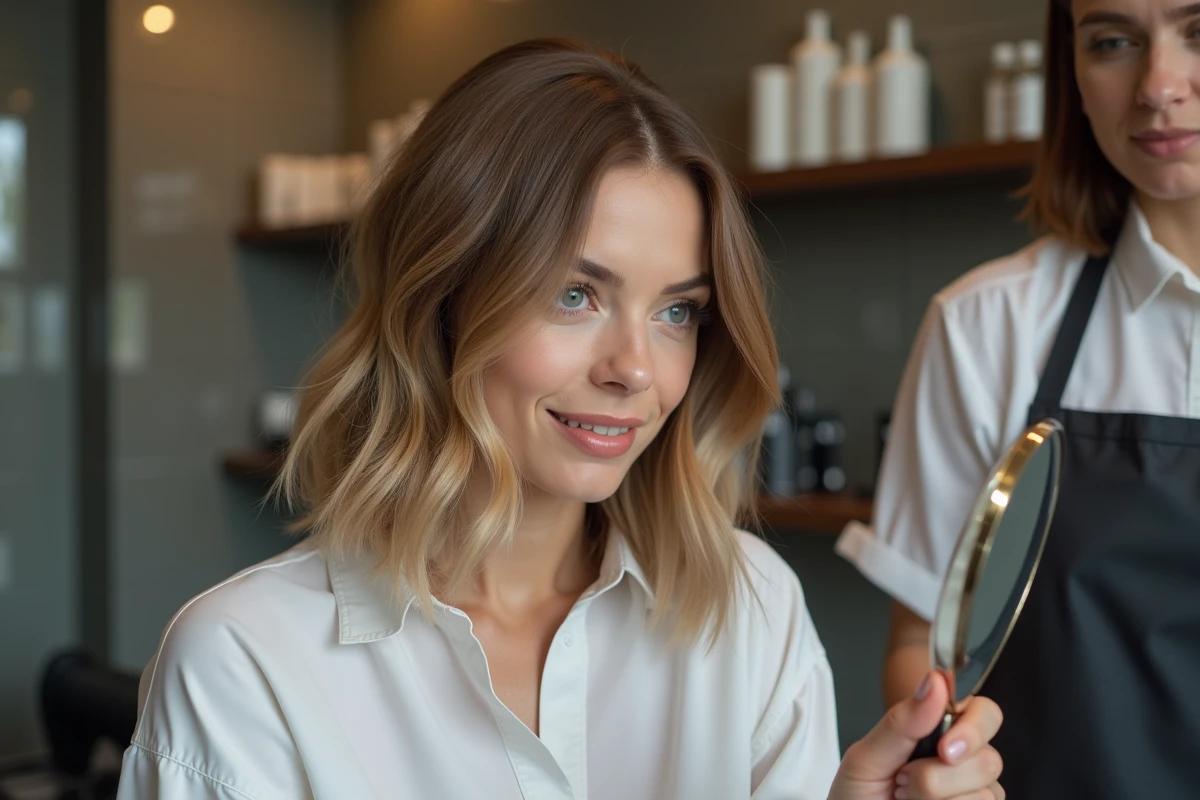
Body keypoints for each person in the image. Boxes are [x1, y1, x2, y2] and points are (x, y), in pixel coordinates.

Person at [116, 39, 1003, 800]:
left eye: (677, 312)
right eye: (575, 294)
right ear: (443, 297)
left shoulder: (751, 607)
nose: (636, 370)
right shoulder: (245, 663)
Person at [837, 0, 1200, 797]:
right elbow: (925, 643)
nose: (1159, 85)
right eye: (1113, 42)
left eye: (1199, 31)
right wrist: (945, 751)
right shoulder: (985, 325)